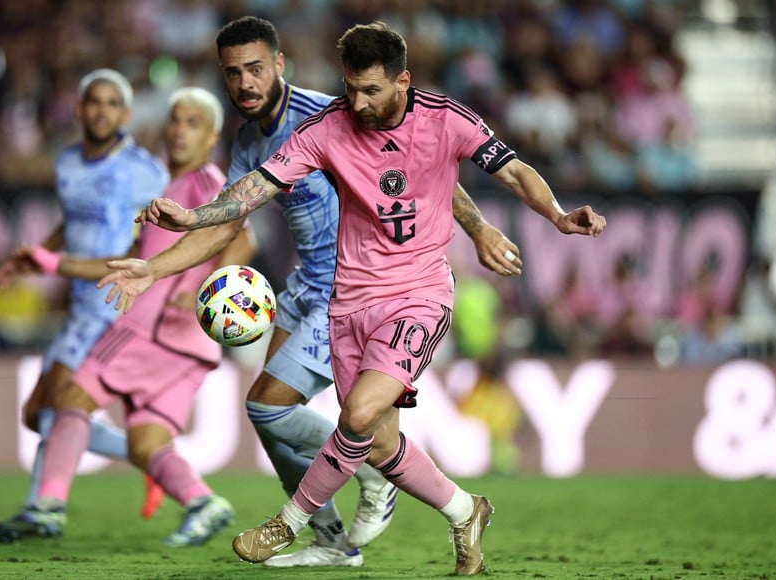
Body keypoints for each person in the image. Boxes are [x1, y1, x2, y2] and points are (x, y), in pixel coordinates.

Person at [134, 20, 607, 575]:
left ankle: (286, 523)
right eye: (350, 88)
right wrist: (192, 216)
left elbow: (514, 170)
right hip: (346, 303)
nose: (357, 102)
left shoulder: (445, 118)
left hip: (417, 294)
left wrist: (554, 214)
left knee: (356, 414)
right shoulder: (327, 127)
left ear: (403, 80)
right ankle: (465, 510)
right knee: (379, 445)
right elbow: (256, 187)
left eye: (372, 91)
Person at [0, 87, 256, 546]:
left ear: (212, 137)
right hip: (189, 346)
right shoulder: (165, 195)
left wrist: (196, 290)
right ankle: (202, 501)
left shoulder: (207, 182)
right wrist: (51, 263)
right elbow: (123, 261)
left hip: (145, 328)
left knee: (70, 399)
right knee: (145, 443)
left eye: (191, 123)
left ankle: (46, 508)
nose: (178, 130)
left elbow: (241, 240)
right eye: (174, 120)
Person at [0, 68, 170, 543]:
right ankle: (148, 455)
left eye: (112, 103)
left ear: (125, 114)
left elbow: (157, 239)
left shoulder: (143, 170)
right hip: (78, 303)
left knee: (62, 405)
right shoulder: (67, 163)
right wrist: (33, 258)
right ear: (80, 109)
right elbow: (70, 222)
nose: (102, 110)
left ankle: (42, 509)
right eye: (94, 101)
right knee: (38, 414)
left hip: (113, 304)